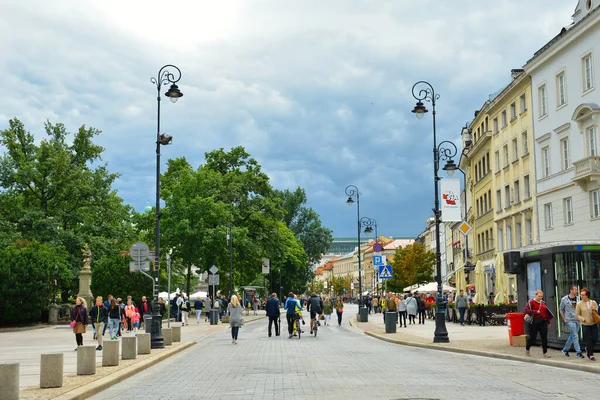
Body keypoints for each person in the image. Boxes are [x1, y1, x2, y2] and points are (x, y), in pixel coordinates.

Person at [524, 289, 554, 358]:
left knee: (544, 338)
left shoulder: (543, 302)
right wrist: (535, 312)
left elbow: (546, 313)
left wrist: (548, 322)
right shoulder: (531, 302)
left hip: (543, 322)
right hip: (534, 322)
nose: (540, 298)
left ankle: (545, 352)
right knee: (533, 338)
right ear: (536, 295)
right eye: (539, 296)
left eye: (541, 296)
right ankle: (527, 348)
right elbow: (526, 310)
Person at [559, 285, 584, 358]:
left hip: (577, 320)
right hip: (569, 320)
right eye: (575, 290)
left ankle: (565, 349)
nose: (576, 291)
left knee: (573, 335)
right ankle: (578, 352)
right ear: (571, 290)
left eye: (576, 290)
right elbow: (561, 310)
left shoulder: (578, 299)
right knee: (575, 336)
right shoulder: (564, 299)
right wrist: (564, 319)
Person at [576, 287, 598, 361]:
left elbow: (597, 311)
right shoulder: (579, 304)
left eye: (583, 295)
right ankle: (590, 354)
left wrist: (594, 309)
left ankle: (588, 348)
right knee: (588, 340)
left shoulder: (593, 302)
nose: (581, 296)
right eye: (581, 295)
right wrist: (583, 319)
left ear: (587, 295)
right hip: (585, 324)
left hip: (594, 323)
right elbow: (577, 315)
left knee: (595, 338)